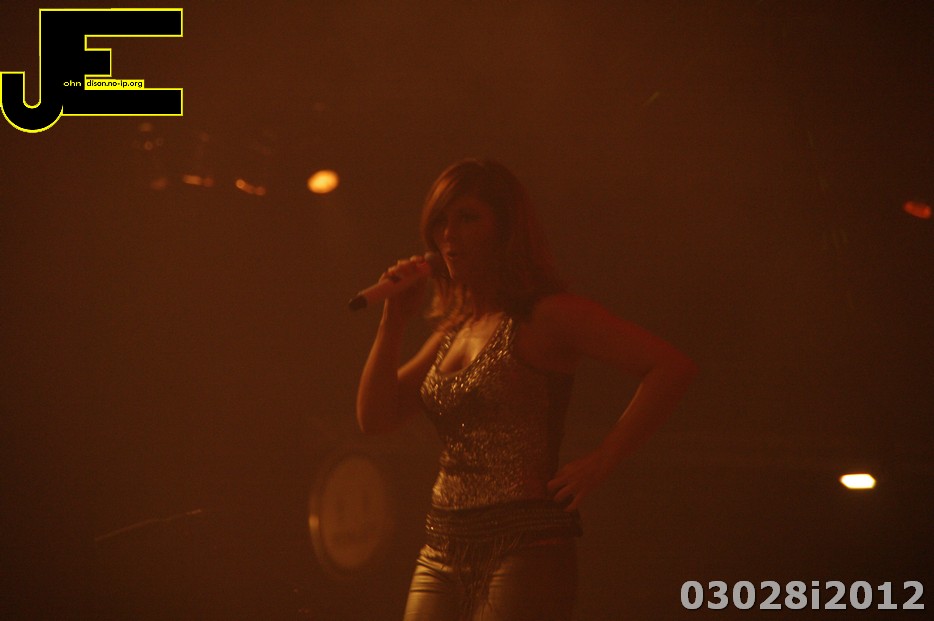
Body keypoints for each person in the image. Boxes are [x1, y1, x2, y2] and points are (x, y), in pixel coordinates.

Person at [356, 158, 697, 621]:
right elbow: (375, 419)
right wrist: (393, 321)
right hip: (440, 548)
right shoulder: (454, 329)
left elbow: (671, 368)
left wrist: (603, 459)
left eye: (467, 218)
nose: (449, 235)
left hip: (525, 546)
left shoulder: (547, 315)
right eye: (440, 221)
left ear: (506, 229)